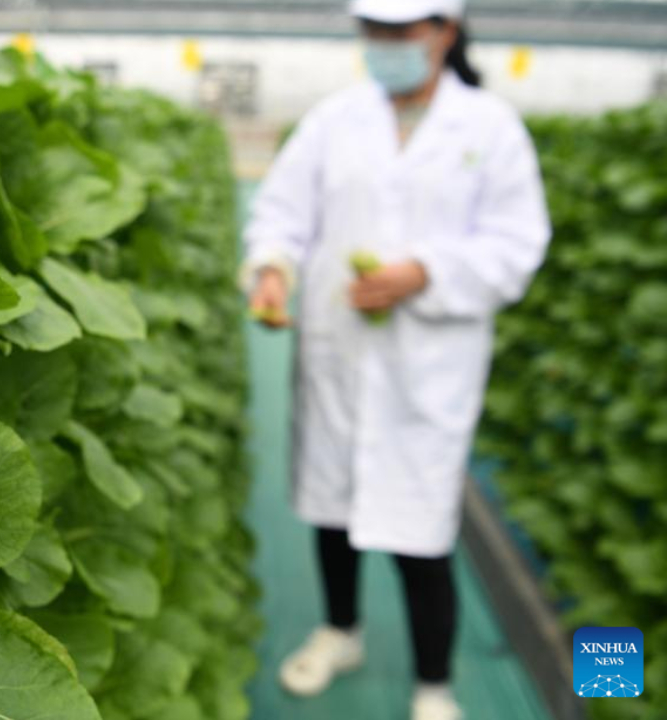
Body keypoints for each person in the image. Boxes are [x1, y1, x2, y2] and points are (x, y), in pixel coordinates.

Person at [239, 0, 552, 718]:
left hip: (428, 367)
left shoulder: (490, 129)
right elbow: (281, 212)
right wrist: (272, 269)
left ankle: (434, 685)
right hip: (338, 356)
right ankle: (339, 632)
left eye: (399, 31)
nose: (384, 45)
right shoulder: (333, 120)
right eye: (372, 31)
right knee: (331, 513)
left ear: (444, 31)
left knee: (422, 533)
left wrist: (426, 273)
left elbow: (517, 244)